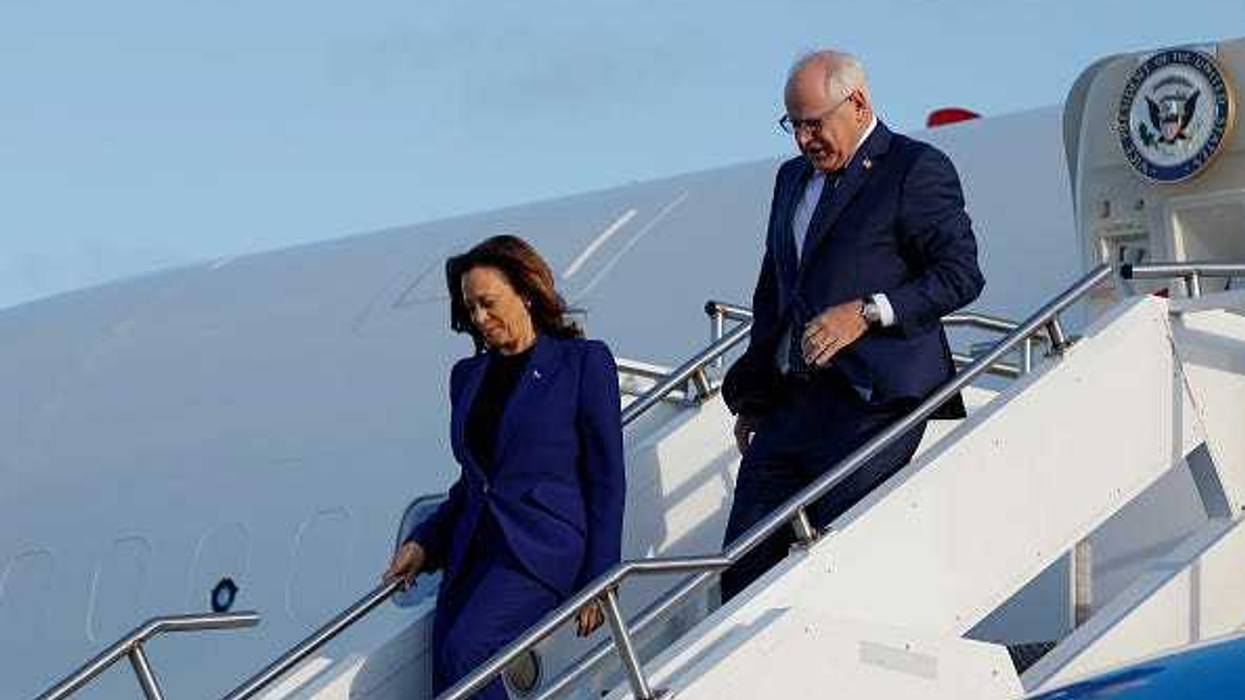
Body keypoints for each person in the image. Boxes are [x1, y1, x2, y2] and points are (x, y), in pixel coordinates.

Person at [719, 51, 984, 601]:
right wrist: (756, 397)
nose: (803, 139)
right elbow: (774, 294)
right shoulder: (791, 179)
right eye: (793, 125)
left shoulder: (913, 169)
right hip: (792, 405)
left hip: (873, 403)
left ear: (858, 103)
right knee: (742, 570)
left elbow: (960, 275)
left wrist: (867, 311)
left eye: (814, 123)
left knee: (831, 563)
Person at [383, 235, 626, 699]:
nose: (478, 317)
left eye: (488, 303)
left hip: (539, 548)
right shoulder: (467, 377)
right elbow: (473, 484)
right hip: (474, 549)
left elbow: (606, 478)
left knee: (467, 651)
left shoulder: (582, 364)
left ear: (526, 294)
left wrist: (601, 575)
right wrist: (425, 542)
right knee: (448, 671)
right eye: (470, 307)